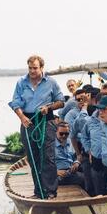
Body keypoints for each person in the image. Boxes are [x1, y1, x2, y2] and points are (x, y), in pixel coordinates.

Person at [8, 55, 64, 199]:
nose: (32, 71)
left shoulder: (51, 82)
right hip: (28, 121)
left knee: (48, 158)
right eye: (30, 68)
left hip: (46, 120)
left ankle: (51, 191)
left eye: (35, 68)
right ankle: (39, 192)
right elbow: (15, 102)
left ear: (41, 68)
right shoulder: (21, 83)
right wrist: (22, 117)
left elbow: (61, 101)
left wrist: (49, 107)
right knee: (33, 158)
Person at [54, 122, 85, 187]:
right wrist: (56, 172)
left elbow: (78, 156)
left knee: (88, 178)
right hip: (57, 175)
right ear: (55, 132)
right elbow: (43, 164)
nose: (64, 136)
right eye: (61, 134)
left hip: (71, 172)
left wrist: (76, 163)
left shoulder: (71, 142)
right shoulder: (50, 145)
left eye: (66, 134)